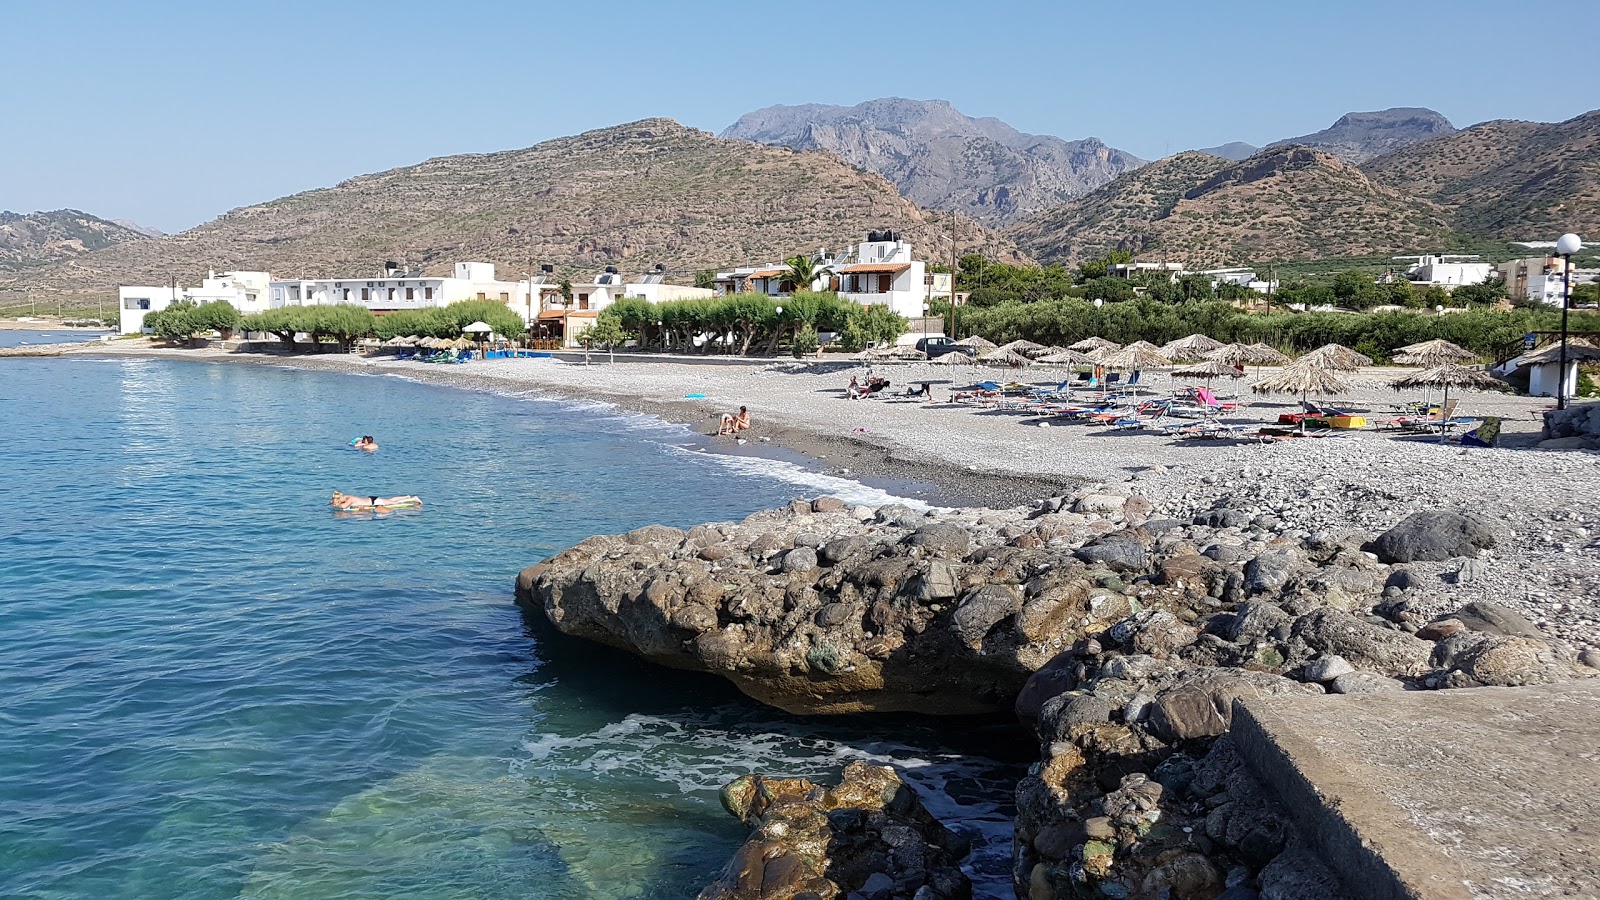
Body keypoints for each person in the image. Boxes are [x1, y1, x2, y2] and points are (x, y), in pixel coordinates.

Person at [330, 491, 420, 510]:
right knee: (390, 500)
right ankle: (406, 496)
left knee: (394, 503)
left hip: (374, 502)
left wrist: (335, 505)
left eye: (335, 499)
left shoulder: (349, 499)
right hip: (371, 499)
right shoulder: (345, 497)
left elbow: (343, 507)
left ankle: (413, 499)